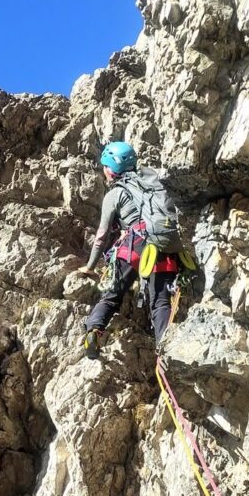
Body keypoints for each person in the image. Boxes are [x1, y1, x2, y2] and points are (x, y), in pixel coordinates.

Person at [74, 141, 178, 358]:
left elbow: (102, 236)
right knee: (160, 302)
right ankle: (166, 351)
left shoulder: (115, 194)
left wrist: (90, 266)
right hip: (164, 244)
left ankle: (94, 330)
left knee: (112, 296)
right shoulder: (151, 182)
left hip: (135, 244)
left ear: (109, 168)